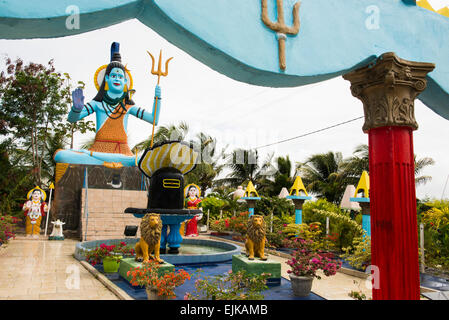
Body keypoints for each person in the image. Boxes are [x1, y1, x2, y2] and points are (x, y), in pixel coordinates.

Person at [53, 42, 161, 167]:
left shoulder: (128, 106)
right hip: (97, 151)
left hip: (123, 153)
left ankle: (110, 160)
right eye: (113, 75)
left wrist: (157, 99)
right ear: (107, 78)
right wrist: (76, 109)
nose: (117, 79)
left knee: (147, 158)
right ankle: (104, 160)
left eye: (120, 77)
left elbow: (154, 120)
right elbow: (71, 119)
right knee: (61, 156)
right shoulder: (98, 104)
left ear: (125, 81)